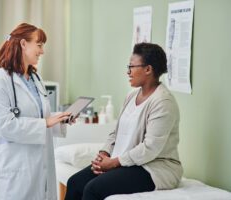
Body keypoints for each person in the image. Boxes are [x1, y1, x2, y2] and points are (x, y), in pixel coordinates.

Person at [65, 43, 183, 200]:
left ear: (148, 69)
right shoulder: (131, 96)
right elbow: (116, 132)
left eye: (131, 67)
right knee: (75, 182)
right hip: (126, 162)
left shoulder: (163, 102)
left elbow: (150, 148)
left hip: (153, 168)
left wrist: (114, 162)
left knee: (93, 189)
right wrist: (103, 154)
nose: (128, 71)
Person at [0, 23, 71, 200]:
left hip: (40, 165)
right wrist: (45, 123)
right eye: (39, 45)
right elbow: (5, 126)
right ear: (23, 44)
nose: (42, 51)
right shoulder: (0, 81)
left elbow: (41, 117)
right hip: (15, 167)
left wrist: (59, 120)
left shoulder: (35, 78)